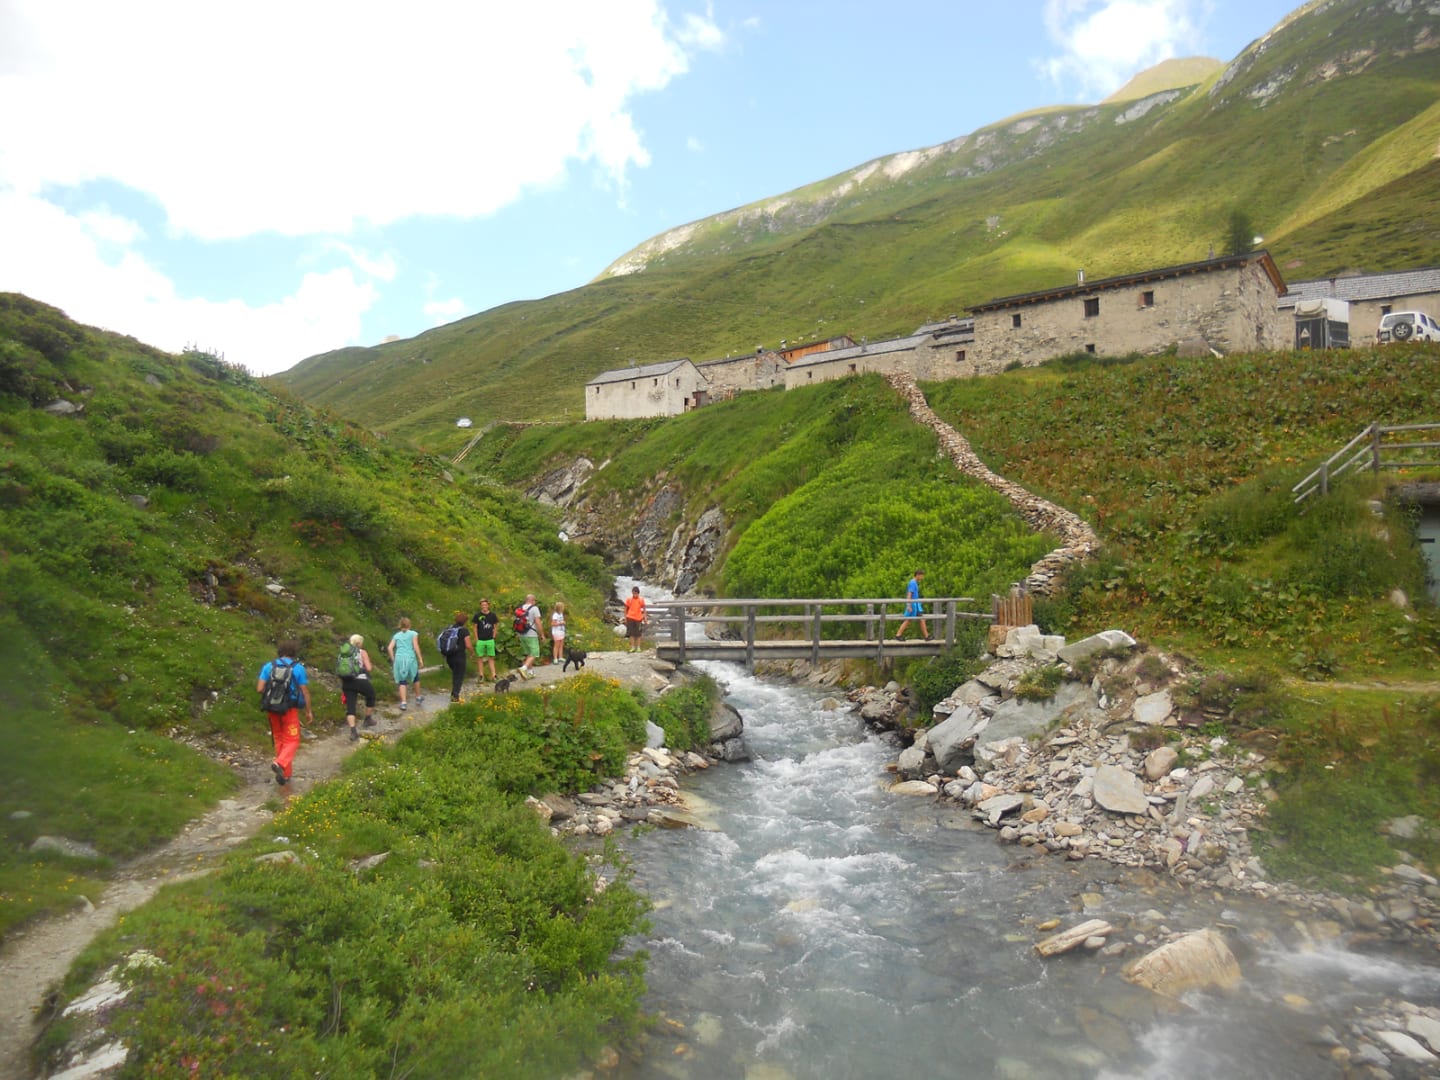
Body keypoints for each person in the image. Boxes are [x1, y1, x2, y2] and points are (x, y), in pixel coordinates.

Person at [256, 640, 312, 787]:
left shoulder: (269, 666)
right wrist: (308, 711)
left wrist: (274, 695)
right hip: (289, 709)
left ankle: (285, 774)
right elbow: (305, 691)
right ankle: (280, 763)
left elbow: (259, 688)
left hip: (272, 708)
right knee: (292, 740)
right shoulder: (298, 668)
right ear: (294, 653)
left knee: (279, 738)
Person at [340, 633, 376, 741]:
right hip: (360, 680)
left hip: (347, 682)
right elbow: (369, 668)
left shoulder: (344, 653)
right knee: (371, 695)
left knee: (350, 707)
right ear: (359, 643)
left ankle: (353, 731)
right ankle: (368, 719)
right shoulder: (362, 652)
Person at [387, 616, 424, 710]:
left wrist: (393, 659)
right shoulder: (413, 634)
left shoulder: (396, 636)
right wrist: (420, 658)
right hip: (410, 658)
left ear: (400, 625)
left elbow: (390, 648)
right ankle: (418, 697)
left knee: (402, 681)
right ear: (409, 625)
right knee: (415, 677)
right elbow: (415, 646)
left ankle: (403, 703)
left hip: (399, 658)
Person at [441, 610, 472, 702]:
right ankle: (455, 696)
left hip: (449, 656)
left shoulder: (449, 628)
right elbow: (468, 645)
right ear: (465, 622)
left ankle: (453, 693)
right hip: (459, 656)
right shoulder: (464, 631)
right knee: (459, 676)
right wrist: (472, 652)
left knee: (455, 674)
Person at [895, 570, 931, 640]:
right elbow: (909, 594)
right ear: (917, 575)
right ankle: (898, 635)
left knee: (921, 619)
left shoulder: (915, 583)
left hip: (916, 604)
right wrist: (909, 605)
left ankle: (926, 636)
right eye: (921, 576)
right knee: (909, 620)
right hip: (913, 604)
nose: (922, 578)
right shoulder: (912, 583)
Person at [472, 598, 499, 682]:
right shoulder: (477, 615)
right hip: (480, 640)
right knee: (480, 657)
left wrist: (494, 636)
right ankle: (481, 675)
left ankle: (494, 675)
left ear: (488, 605)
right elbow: (475, 627)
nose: (484, 606)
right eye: (482, 605)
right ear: (480, 606)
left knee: (491, 657)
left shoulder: (492, 615)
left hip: (490, 639)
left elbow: (495, 626)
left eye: (485, 605)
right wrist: (476, 638)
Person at [518, 593, 542, 679]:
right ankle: (523, 668)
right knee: (534, 653)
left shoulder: (521, 608)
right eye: (535, 600)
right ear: (532, 600)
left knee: (528, 654)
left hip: (522, 634)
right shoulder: (534, 608)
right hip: (531, 634)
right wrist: (542, 634)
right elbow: (538, 622)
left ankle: (530, 672)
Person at [623, 586, 647, 653]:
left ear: (638, 593)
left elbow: (644, 608)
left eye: (636, 593)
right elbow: (625, 609)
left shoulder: (641, 600)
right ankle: (632, 647)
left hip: (638, 618)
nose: (635, 595)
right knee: (631, 633)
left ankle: (638, 647)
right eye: (633, 593)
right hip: (630, 617)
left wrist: (645, 617)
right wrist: (625, 618)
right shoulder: (629, 599)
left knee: (638, 634)